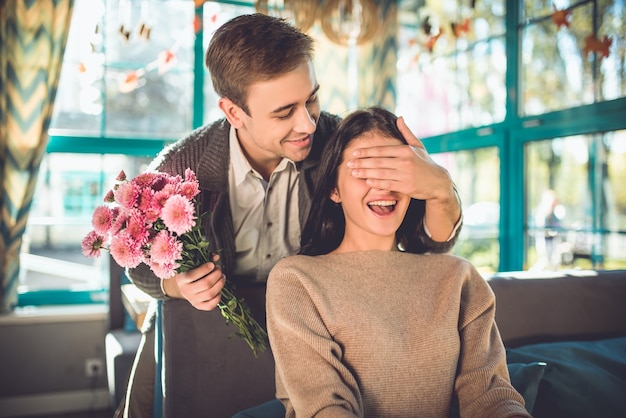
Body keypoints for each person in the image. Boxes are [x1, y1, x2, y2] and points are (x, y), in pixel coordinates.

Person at [117, 13, 463, 417]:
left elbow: (425, 242)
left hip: (315, 327)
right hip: (198, 329)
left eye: (311, 99)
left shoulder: (339, 144)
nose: (308, 123)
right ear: (233, 112)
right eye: (284, 112)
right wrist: (178, 286)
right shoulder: (179, 166)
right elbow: (136, 264)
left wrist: (440, 188)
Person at [265, 107, 530, 417]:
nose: (383, 185)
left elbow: (491, 396)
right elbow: (325, 408)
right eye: (364, 169)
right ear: (334, 189)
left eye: (395, 169)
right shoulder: (296, 280)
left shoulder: (457, 277)